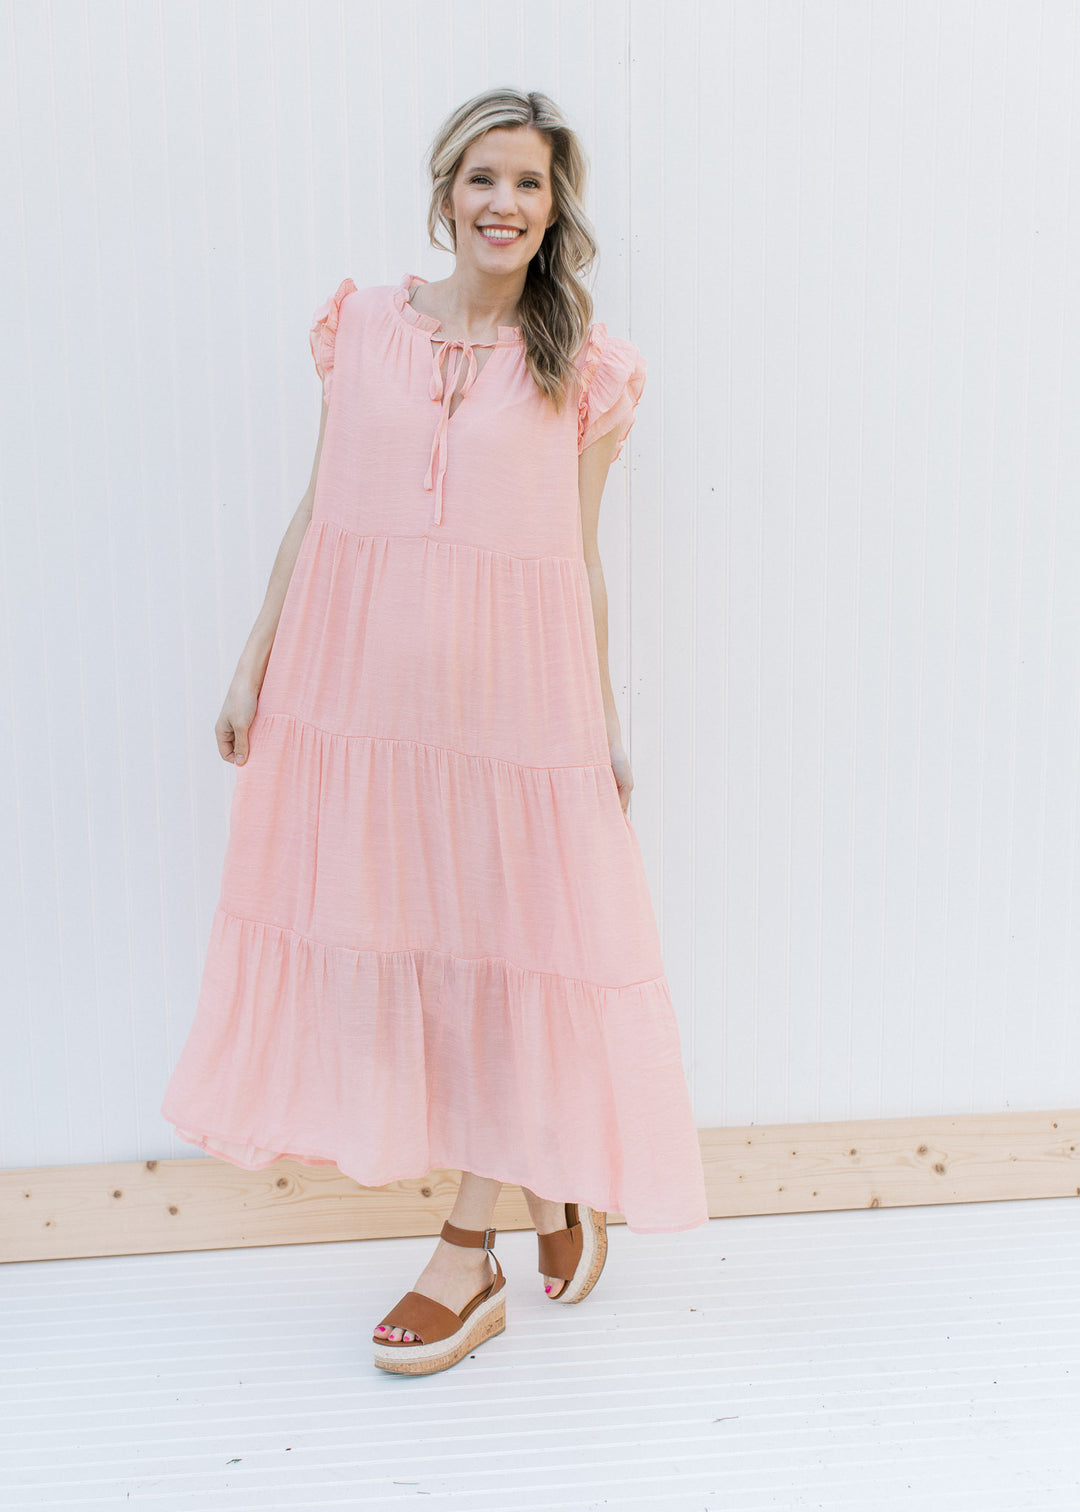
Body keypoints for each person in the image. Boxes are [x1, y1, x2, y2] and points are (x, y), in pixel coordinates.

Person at [161, 86, 709, 1378]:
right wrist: (253, 664)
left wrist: (605, 723)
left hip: (517, 725)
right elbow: (319, 509)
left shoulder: (587, 365)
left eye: (529, 183)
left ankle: (467, 1256)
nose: (503, 204)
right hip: (359, 711)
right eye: (482, 179)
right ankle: (545, 1177)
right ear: (443, 193)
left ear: (555, 207)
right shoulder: (358, 328)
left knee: (507, 965)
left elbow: (577, 563)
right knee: (409, 956)